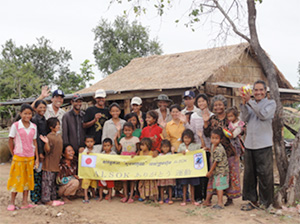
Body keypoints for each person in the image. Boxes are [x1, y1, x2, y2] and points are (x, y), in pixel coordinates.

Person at [239, 80, 276, 210]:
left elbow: (263, 115)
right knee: (249, 175)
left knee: (265, 174)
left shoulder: (271, 103)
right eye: (256, 90)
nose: (258, 92)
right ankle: (253, 201)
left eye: (261, 90)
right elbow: (244, 119)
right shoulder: (250, 103)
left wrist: (250, 102)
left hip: (264, 144)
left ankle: (266, 203)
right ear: (252, 91)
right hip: (250, 144)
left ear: (265, 91)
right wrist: (243, 105)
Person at [203, 95, 241, 207]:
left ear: (224, 105)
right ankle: (213, 198)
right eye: (215, 105)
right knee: (216, 174)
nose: (218, 107)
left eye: (220, 104)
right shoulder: (212, 119)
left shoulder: (230, 118)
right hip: (216, 152)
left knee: (230, 174)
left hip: (230, 152)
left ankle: (230, 198)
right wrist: (205, 123)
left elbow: (240, 130)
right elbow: (206, 133)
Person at [7, 104, 39, 211]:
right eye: (25, 113)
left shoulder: (34, 127)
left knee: (28, 180)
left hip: (30, 157)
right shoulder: (16, 126)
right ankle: (12, 202)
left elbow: (34, 143)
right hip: (19, 157)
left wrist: (36, 158)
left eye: (29, 113)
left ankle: (25, 202)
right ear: (21, 114)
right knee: (16, 180)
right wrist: (13, 154)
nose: (27, 115)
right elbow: (10, 140)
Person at [187, 93, 213, 203]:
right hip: (197, 149)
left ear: (207, 102)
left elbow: (211, 133)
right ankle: (198, 196)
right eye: (199, 102)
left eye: (203, 101)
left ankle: (207, 196)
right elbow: (192, 132)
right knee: (198, 172)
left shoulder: (212, 115)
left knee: (207, 173)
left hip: (208, 148)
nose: (201, 103)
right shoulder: (194, 116)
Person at [39, 117, 64, 206]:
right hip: (49, 164)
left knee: (53, 183)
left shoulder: (59, 136)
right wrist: (46, 143)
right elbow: (47, 151)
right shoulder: (49, 137)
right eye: (56, 125)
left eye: (58, 124)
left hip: (56, 164)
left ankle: (53, 198)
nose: (58, 126)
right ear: (51, 127)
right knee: (47, 182)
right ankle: (46, 200)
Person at [115, 122, 140, 203]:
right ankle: (125, 195)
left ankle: (131, 196)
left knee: (132, 179)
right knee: (124, 180)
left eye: (129, 130)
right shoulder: (122, 140)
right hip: (124, 161)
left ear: (133, 130)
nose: (127, 132)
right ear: (123, 131)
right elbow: (119, 149)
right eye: (125, 130)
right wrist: (115, 139)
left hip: (132, 161)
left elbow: (139, 150)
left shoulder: (136, 139)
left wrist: (136, 156)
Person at [205, 128, 229, 210]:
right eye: (212, 138)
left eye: (216, 138)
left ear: (220, 139)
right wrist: (208, 149)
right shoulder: (212, 146)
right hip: (217, 171)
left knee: (219, 187)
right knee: (217, 186)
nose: (214, 140)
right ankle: (210, 201)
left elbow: (216, 161)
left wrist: (210, 172)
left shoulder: (219, 149)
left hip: (221, 171)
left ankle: (220, 203)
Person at [177, 129, 201, 206]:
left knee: (192, 185)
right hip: (184, 168)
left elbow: (202, 147)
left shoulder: (195, 145)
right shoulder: (181, 146)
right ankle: (184, 200)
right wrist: (181, 153)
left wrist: (201, 137)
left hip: (193, 168)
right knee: (184, 184)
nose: (187, 140)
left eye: (188, 138)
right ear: (182, 138)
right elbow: (177, 155)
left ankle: (193, 200)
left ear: (192, 138)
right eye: (185, 138)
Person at [30, 100, 47, 204]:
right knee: (37, 175)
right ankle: (35, 198)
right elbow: (36, 137)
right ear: (35, 109)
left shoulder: (43, 119)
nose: (42, 110)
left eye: (44, 107)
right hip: (38, 151)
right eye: (40, 107)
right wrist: (39, 153)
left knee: (41, 175)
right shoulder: (35, 120)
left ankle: (40, 196)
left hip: (43, 150)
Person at [81, 136, 101, 203]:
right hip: (86, 171)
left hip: (93, 171)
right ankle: (86, 197)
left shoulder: (96, 149)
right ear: (85, 143)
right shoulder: (85, 151)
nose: (89, 143)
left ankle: (94, 195)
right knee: (86, 184)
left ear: (94, 142)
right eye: (88, 142)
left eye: (91, 142)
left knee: (93, 184)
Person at [138, 138, 158, 202]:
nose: (141, 147)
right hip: (143, 172)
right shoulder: (140, 153)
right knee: (144, 185)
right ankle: (146, 198)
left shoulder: (151, 153)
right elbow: (137, 160)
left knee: (153, 185)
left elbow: (156, 159)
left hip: (151, 172)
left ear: (148, 146)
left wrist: (156, 153)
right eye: (141, 145)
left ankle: (155, 198)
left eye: (143, 145)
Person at [157, 140, 176, 205]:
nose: (165, 148)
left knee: (169, 186)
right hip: (162, 173)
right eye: (164, 147)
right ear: (161, 148)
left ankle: (170, 199)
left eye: (167, 147)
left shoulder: (170, 154)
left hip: (169, 172)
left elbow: (174, 159)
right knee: (161, 187)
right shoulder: (159, 155)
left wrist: (173, 151)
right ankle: (162, 199)